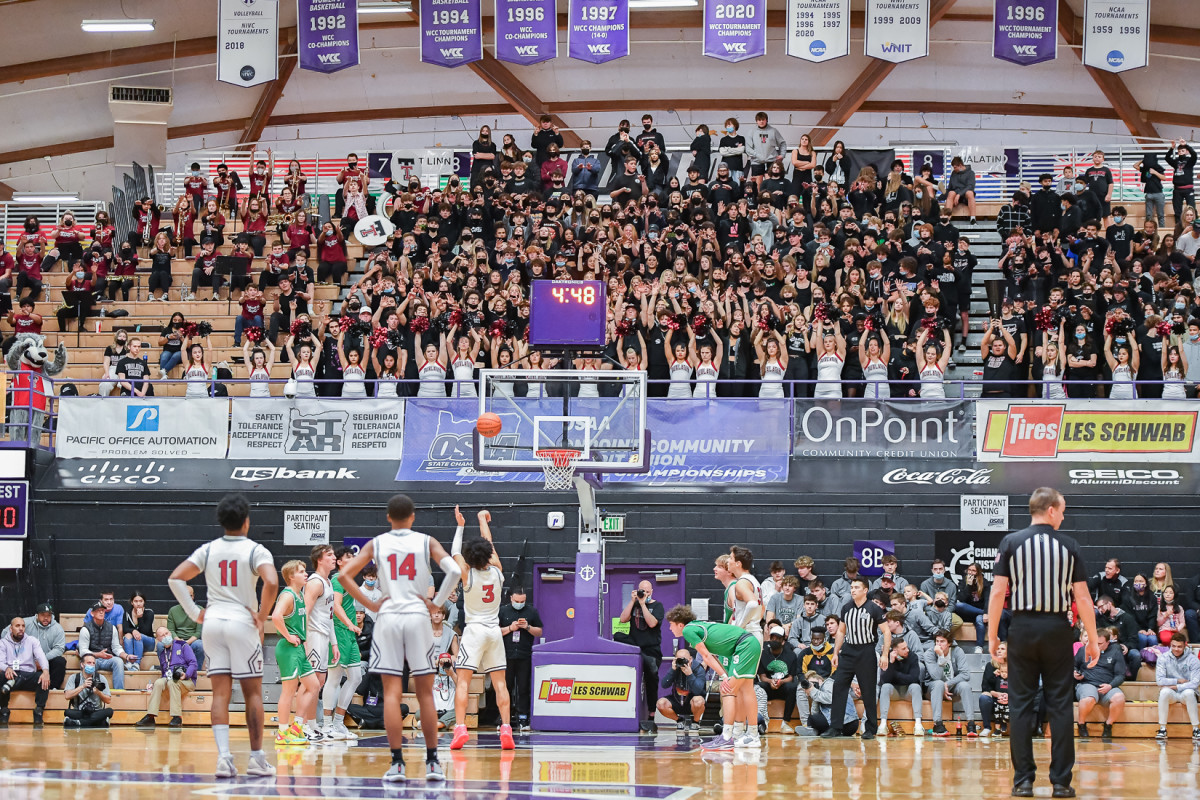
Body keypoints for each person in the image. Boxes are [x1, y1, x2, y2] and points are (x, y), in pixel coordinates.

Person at [333, 494, 462, 783]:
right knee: (425, 693)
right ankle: (431, 763)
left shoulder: (377, 543)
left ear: (388, 518)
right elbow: (454, 570)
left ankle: (397, 764)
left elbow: (343, 576)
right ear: (413, 516)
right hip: (418, 616)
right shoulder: (425, 541)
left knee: (391, 694)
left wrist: (371, 604)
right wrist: (436, 602)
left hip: (389, 616)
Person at [988, 487, 1099, 799]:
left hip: (1021, 628)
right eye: (1062, 510)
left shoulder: (1011, 542)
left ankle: (1023, 781)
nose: (1063, 516)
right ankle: (1061, 783)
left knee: (1021, 704)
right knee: (1061, 705)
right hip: (1056, 629)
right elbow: (1083, 597)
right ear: (1051, 510)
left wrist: (992, 634)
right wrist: (1091, 638)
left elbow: (997, 593)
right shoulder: (1069, 545)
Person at [167, 493, 280, 779]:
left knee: (220, 693)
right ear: (246, 521)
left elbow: (176, 578)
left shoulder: (208, 549)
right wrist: (263, 614)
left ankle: (223, 759)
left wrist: (195, 613)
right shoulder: (256, 550)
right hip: (242, 621)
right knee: (252, 692)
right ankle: (256, 759)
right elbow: (272, 580)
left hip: (213, 622)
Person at [448, 506, 516, 751]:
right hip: (495, 632)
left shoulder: (466, 575)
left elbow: (454, 550)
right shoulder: (497, 571)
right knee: (500, 684)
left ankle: (460, 729)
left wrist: (461, 525)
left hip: (474, 632)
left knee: (464, 682)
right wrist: (481, 519)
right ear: (488, 555)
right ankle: (506, 729)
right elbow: (490, 543)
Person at [665, 605, 762, 751]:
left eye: (671, 625)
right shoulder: (699, 626)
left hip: (743, 646)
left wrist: (724, 676)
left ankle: (727, 736)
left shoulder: (688, 630)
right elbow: (713, 656)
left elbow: (706, 656)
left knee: (727, 690)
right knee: (745, 689)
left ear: (680, 624)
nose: (670, 629)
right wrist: (725, 674)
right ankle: (748, 734)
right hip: (746, 644)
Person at [823, 577, 889, 739]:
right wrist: (835, 653)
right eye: (852, 587)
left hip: (866, 651)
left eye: (856, 587)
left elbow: (887, 632)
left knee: (868, 691)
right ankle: (836, 726)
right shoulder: (846, 608)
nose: (853, 590)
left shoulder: (874, 609)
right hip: (848, 651)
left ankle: (870, 728)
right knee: (838, 687)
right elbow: (841, 632)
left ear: (865, 590)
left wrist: (885, 654)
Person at [270, 560, 320, 747]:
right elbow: (276, 616)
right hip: (288, 648)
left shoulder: (299, 596)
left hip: (298, 648)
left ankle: (297, 726)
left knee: (313, 685)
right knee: (289, 691)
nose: (306, 574)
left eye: (305, 571)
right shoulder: (288, 595)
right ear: (291, 576)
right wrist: (289, 636)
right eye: (301, 571)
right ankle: (282, 732)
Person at [323, 547, 365, 741]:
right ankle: (327, 725)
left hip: (349, 634)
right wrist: (350, 623)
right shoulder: (338, 579)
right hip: (340, 632)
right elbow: (336, 606)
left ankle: (339, 722)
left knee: (356, 677)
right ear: (339, 562)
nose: (353, 559)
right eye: (348, 557)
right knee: (334, 678)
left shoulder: (348, 579)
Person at [618, 578, 665, 733]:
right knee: (617, 635)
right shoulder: (634, 604)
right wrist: (632, 602)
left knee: (651, 677)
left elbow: (652, 623)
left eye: (646, 591)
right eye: (641, 590)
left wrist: (644, 604)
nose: (644, 593)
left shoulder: (657, 606)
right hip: (635, 647)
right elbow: (623, 619)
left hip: (651, 650)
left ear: (651, 591)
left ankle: (651, 715)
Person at [302, 544, 337, 742]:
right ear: (319, 559)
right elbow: (304, 613)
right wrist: (305, 640)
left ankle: (313, 725)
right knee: (311, 683)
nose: (334, 558)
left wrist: (334, 643)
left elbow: (330, 617)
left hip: (324, 636)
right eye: (329, 555)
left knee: (319, 683)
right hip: (313, 636)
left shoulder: (329, 582)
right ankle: (303, 724)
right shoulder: (315, 583)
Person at [135, 625, 198, 729]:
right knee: (159, 682)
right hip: (170, 679)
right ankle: (151, 716)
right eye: (162, 636)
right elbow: (165, 672)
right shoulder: (162, 653)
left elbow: (193, 663)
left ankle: (177, 717)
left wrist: (186, 674)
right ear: (158, 639)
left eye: (166, 633)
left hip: (187, 680)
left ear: (170, 633)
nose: (165, 636)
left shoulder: (182, 645)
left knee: (172, 682)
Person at [498, 586, 542, 731]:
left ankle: (523, 717)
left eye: (522, 601)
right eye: (517, 600)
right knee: (506, 687)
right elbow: (494, 632)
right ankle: (504, 718)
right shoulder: (503, 611)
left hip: (524, 655)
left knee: (523, 687)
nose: (519, 603)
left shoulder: (531, 611)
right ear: (511, 598)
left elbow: (539, 631)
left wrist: (527, 627)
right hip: (506, 654)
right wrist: (510, 628)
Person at [1073, 627, 1126, 741]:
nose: (1097, 646)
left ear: (1108, 642)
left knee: (1119, 698)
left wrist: (1110, 686)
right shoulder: (1083, 650)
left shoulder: (1116, 651)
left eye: (1100, 643)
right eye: (1095, 642)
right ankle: (1081, 724)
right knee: (1089, 699)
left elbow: (1120, 675)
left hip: (1107, 685)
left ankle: (1108, 725)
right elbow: (1074, 665)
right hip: (1087, 683)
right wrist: (1075, 673)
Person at [922, 629, 978, 736]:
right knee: (939, 683)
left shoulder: (957, 651)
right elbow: (936, 676)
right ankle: (937, 724)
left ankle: (971, 723)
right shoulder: (929, 654)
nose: (939, 644)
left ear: (949, 643)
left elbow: (965, 674)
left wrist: (947, 684)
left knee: (965, 686)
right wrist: (941, 657)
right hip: (933, 688)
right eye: (937, 641)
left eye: (942, 641)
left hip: (951, 687)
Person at [0, 616, 50, 728]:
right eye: (17, 626)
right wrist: (6, 668)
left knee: (43, 677)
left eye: (23, 626)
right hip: (10, 674)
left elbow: (41, 657)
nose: (21, 628)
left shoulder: (32, 641)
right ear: (11, 629)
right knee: (2, 676)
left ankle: (38, 710)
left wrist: (46, 671)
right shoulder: (3, 643)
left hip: (27, 675)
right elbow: (0, 662)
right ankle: (3, 710)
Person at [78, 602, 135, 690]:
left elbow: (116, 647)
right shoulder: (85, 629)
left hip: (107, 658)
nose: (101, 612)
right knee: (88, 663)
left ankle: (119, 692)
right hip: (92, 659)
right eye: (98, 610)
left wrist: (126, 656)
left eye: (103, 610)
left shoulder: (112, 628)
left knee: (119, 661)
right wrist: (97, 655)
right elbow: (83, 651)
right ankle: (87, 691)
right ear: (92, 613)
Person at [1155, 632, 1200, 741]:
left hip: (1187, 693)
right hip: (1172, 694)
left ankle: (1196, 729)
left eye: (1179, 646)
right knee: (1164, 692)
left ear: (1185, 645)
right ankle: (1162, 728)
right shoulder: (1163, 658)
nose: (1176, 649)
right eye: (1173, 646)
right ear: (1170, 645)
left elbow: (1195, 682)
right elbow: (1160, 680)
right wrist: (1178, 680)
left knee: (1189, 692)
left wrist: (1176, 686)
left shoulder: (1193, 660)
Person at [756, 621, 799, 733]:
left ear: (783, 641)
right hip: (768, 687)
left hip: (783, 687)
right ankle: (761, 722)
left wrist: (781, 682)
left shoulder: (791, 655)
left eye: (777, 638)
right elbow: (762, 676)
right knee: (759, 686)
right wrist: (771, 681)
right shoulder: (763, 654)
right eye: (772, 638)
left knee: (793, 686)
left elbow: (791, 677)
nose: (774, 640)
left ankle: (785, 723)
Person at [877, 637, 923, 737]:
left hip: (908, 691)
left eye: (906, 647)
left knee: (916, 687)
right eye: (903, 649)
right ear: (895, 650)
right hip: (894, 691)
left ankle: (918, 724)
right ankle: (883, 724)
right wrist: (891, 663)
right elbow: (884, 680)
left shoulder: (913, 656)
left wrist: (896, 675)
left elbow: (914, 678)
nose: (907, 650)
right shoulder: (887, 657)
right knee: (885, 687)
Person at [658, 647, 708, 732]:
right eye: (679, 660)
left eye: (684, 660)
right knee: (661, 704)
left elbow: (698, 690)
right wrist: (672, 670)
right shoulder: (675, 668)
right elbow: (664, 685)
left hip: (692, 702)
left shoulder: (698, 669)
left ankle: (696, 722)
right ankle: (679, 720)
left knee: (698, 700)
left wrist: (690, 674)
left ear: (690, 659)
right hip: (677, 699)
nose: (682, 663)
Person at [19, 604, 65, 692]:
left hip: (47, 659)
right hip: (27, 660)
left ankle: (52, 688)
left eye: (48, 615)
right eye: (43, 615)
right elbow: (8, 631)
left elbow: (59, 649)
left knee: (60, 661)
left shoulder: (58, 628)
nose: (46, 618)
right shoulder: (26, 623)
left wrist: (43, 660)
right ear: (37, 615)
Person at [62, 653, 114, 729]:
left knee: (109, 711)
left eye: (93, 663)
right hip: (80, 711)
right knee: (67, 712)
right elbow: (67, 696)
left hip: (96, 711)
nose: (92, 665)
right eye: (89, 663)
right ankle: (97, 722)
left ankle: (78, 723)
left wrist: (98, 692)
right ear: (82, 665)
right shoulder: (74, 678)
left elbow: (108, 700)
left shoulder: (101, 678)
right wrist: (82, 686)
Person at [164, 584, 205, 667]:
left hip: (193, 641)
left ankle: (196, 671)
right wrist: (179, 641)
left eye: (190, 596)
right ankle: (167, 670)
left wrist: (186, 643)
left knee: (200, 645)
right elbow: (171, 630)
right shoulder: (173, 610)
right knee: (161, 645)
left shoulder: (200, 610)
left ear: (193, 597)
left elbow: (198, 632)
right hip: (176, 640)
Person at [979, 640, 1011, 737]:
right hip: (995, 697)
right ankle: (987, 727)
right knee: (984, 697)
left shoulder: (1015, 666)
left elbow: (1021, 686)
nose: (999, 651)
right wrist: (997, 694)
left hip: (1011, 697)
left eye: (1002, 649)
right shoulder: (990, 666)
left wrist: (1009, 696)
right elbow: (985, 686)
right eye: (997, 649)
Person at [122, 590, 155, 662]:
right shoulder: (127, 613)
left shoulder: (149, 612)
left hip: (149, 642)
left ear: (144, 602)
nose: (138, 603)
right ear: (132, 602)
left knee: (138, 636)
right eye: (136, 601)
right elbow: (125, 628)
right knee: (127, 635)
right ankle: (129, 663)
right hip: (133, 642)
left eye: (141, 601)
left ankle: (137, 664)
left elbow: (145, 631)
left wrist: (140, 617)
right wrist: (133, 630)